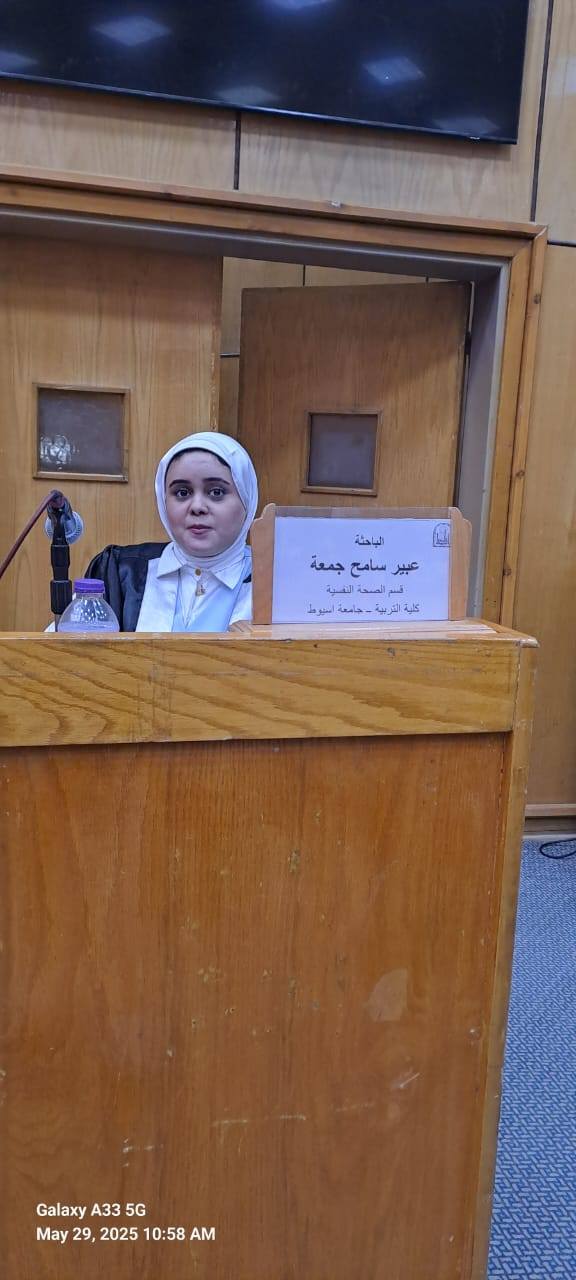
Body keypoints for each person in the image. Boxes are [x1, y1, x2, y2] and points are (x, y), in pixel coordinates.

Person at [85, 431, 258, 631]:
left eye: (216, 492)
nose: (197, 507)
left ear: (247, 499)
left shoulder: (274, 584)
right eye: (182, 493)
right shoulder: (121, 572)